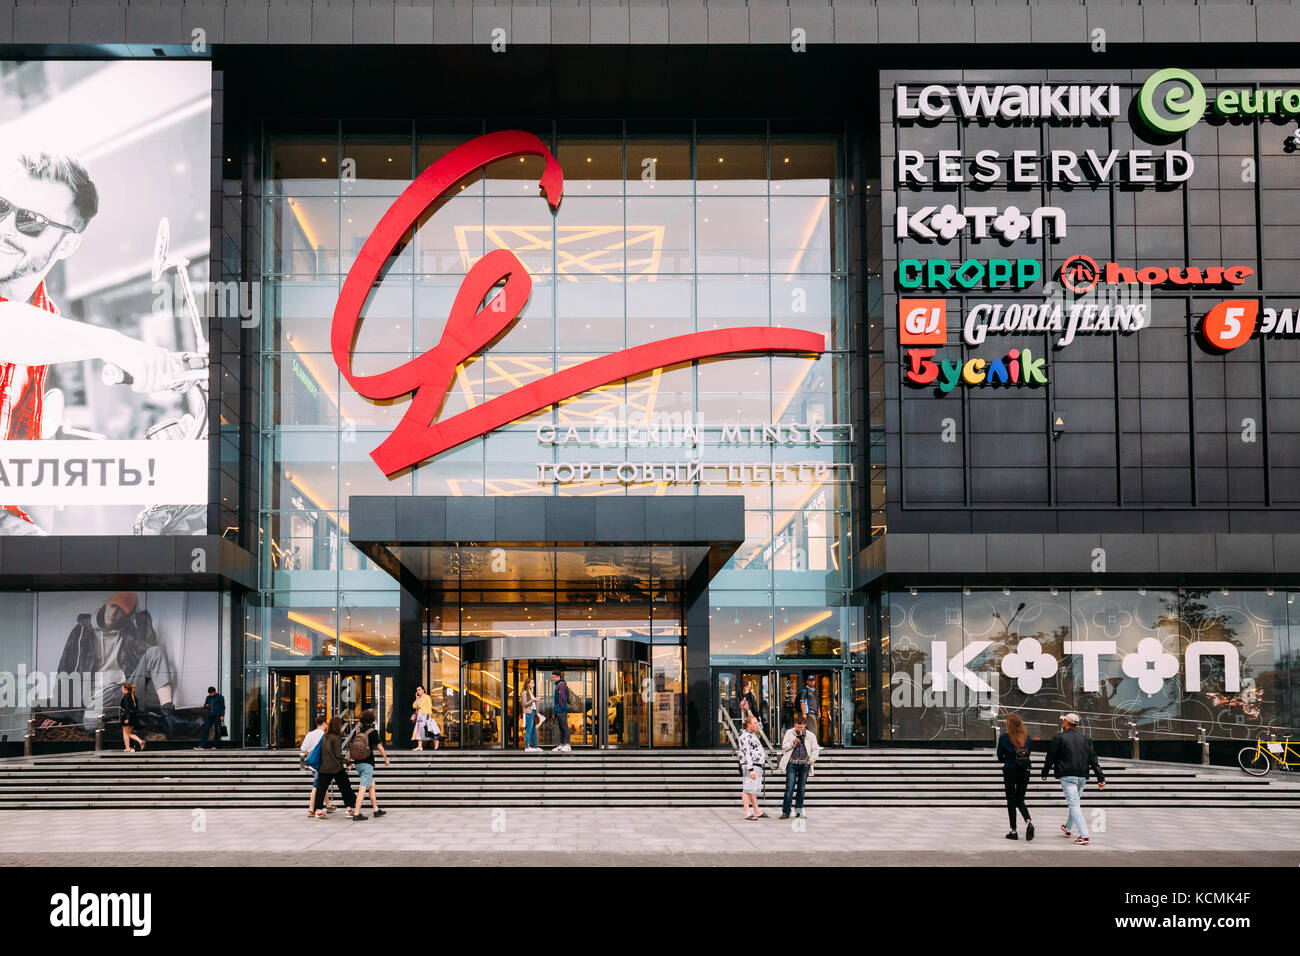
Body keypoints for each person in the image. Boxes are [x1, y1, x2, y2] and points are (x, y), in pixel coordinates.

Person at [0, 152, 183, 535]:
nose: (6, 228)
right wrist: (115, 344)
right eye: (2, 207)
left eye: (29, 221)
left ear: (66, 246)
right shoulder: (31, 326)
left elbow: (24, 444)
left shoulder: (42, 313)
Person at [57, 592, 186, 737]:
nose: (114, 613)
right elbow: (65, 669)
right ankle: (142, 721)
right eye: (113, 606)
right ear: (106, 604)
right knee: (91, 726)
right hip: (98, 697)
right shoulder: (80, 631)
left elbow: (149, 648)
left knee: (156, 652)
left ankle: (169, 717)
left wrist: (139, 617)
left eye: (121, 611)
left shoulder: (128, 631)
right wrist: (65, 712)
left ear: (127, 616)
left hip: (126, 689)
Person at [1040, 712, 1106, 846]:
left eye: (1063, 721)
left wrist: (1045, 771)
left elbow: (1050, 756)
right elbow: (1093, 759)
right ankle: (1068, 828)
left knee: (1074, 805)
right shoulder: (1085, 739)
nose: (1062, 722)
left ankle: (1084, 835)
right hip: (1082, 775)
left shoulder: (1059, 738)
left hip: (1067, 775)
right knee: (1074, 803)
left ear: (1066, 723)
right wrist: (1100, 777)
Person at [996, 713, 1034, 841]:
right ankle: (1028, 821)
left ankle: (1014, 831)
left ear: (1009, 725)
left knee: (1011, 800)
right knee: (1020, 799)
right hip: (1025, 770)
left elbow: (1000, 757)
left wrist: (1007, 757)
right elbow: (1028, 754)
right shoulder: (1027, 738)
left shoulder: (1004, 738)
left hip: (1010, 770)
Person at [311, 716, 356, 819]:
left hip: (324, 767)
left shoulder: (325, 736)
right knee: (345, 788)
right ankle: (349, 809)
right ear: (338, 725)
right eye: (341, 724)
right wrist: (348, 762)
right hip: (336, 768)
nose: (342, 726)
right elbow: (338, 755)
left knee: (321, 790)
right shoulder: (336, 737)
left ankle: (318, 811)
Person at [779, 713, 821, 819]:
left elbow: (815, 749)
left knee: (801, 789)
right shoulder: (789, 733)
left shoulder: (810, 735)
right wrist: (792, 743)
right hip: (792, 763)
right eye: (797, 727)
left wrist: (811, 760)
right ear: (795, 725)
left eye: (801, 727)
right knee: (789, 788)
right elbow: (784, 747)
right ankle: (786, 812)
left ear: (805, 725)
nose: (799, 729)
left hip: (804, 764)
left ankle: (799, 811)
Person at [350, 709, 390, 821]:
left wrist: (349, 762)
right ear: (372, 719)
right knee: (363, 788)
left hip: (357, 762)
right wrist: (386, 759)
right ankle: (357, 813)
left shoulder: (357, 731)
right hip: (367, 762)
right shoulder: (372, 731)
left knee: (371, 784)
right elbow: (379, 746)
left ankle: (376, 810)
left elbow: (351, 748)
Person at [299, 714, 334, 817]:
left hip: (313, 764)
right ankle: (311, 809)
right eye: (326, 723)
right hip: (322, 764)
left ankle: (328, 805)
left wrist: (311, 755)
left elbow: (303, 750)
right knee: (317, 785)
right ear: (324, 724)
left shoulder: (309, 734)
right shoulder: (324, 735)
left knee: (322, 783)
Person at [738, 714, 769, 820]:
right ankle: (747, 813)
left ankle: (757, 811)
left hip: (757, 765)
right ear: (748, 725)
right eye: (755, 723)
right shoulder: (745, 736)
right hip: (751, 766)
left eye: (757, 723)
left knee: (753, 790)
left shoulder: (752, 734)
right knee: (747, 789)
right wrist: (750, 769)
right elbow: (746, 754)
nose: (757, 725)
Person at [194, 686, 225, 750]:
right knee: (205, 730)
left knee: (217, 731)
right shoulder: (208, 697)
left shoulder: (220, 697)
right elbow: (205, 706)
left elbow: (223, 707)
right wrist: (206, 706)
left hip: (217, 716)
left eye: (211, 693)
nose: (210, 695)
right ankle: (201, 746)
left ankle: (214, 746)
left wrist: (222, 716)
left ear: (215, 692)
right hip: (210, 716)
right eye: (209, 693)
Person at [118, 682, 144, 752]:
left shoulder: (126, 697)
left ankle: (128, 747)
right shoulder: (133, 697)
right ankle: (140, 741)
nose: (121, 690)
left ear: (126, 689)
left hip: (127, 717)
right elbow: (136, 708)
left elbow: (126, 708)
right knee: (128, 733)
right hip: (133, 717)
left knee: (125, 733)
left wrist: (126, 718)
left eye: (122, 688)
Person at [552, 670, 572, 752]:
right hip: (559, 710)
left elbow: (562, 700)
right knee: (561, 728)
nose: (552, 678)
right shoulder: (559, 685)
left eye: (553, 677)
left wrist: (558, 710)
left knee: (564, 727)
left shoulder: (562, 685)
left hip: (561, 710)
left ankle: (567, 745)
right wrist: (555, 712)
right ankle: (562, 745)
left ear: (558, 676)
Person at [520, 678, 540, 752]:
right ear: (528, 684)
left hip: (533, 712)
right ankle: (527, 747)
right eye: (532, 683)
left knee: (533, 731)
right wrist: (533, 700)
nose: (533, 685)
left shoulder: (530, 692)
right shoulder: (524, 693)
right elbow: (524, 704)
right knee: (529, 730)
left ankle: (535, 746)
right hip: (529, 713)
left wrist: (534, 700)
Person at [798, 675, 820, 739]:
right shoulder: (805, 690)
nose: (811, 682)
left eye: (813, 680)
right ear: (807, 681)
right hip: (809, 712)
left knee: (809, 731)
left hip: (814, 712)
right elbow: (802, 702)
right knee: (813, 731)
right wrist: (804, 713)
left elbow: (817, 702)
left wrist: (819, 711)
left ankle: (809, 745)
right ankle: (813, 746)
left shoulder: (815, 690)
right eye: (810, 681)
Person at [412, 686, 432, 751]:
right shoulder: (419, 698)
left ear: (423, 690)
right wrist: (417, 698)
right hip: (419, 715)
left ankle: (435, 740)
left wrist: (429, 716)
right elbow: (414, 706)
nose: (418, 691)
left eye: (419, 689)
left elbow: (429, 707)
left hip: (425, 715)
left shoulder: (427, 697)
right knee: (419, 730)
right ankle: (420, 746)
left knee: (426, 730)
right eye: (417, 690)